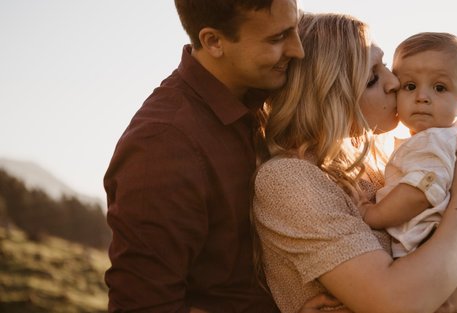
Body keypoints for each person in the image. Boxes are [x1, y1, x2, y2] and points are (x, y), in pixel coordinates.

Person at [101, 1, 342, 312]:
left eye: (295, 28)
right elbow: (144, 305)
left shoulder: (271, 94)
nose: (298, 50)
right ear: (214, 42)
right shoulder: (163, 145)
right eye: (277, 38)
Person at [253, 12, 457, 313]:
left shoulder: (380, 160)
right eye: (373, 78)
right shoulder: (288, 181)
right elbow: (398, 302)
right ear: (329, 95)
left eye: (385, 66)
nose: (394, 82)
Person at [362, 33, 457, 276]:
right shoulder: (439, 138)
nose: (421, 97)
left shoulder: (434, 141)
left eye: (439, 88)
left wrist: (375, 214)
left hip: (432, 248)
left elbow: (419, 192)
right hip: (447, 252)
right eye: (410, 86)